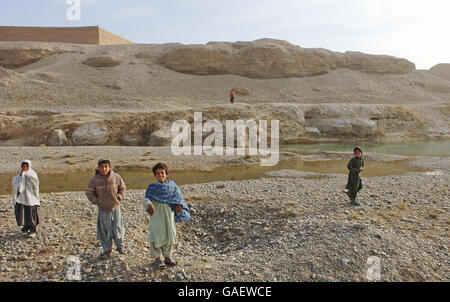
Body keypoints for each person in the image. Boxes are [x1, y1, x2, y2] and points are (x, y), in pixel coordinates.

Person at [142, 163, 192, 269]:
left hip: (169, 214)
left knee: (169, 234)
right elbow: (146, 199)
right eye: (158, 173)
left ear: (166, 174)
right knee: (156, 235)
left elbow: (179, 199)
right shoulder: (152, 188)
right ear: (155, 175)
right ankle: (158, 259)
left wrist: (179, 206)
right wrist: (149, 204)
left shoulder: (172, 186)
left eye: (162, 173)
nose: (160, 175)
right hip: (157, 215)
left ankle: (168, 257)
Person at [86, 159, 127, 258]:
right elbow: (89, 193)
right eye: (101, 167)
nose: (104, 169)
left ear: (109, 167)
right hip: (103, 209)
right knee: (105, 230)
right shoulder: (94, 180)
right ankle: (107, 249)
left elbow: (123, 188)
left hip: (115, 207)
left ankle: (120, 247)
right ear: (98, 168)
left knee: (118, 227)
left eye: (106, 167)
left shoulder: (116, 177)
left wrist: (119, 197)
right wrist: (96, 201)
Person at [12, 160, 41, 238]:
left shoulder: (32, 174)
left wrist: (27, 177)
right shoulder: (18, 175)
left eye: (26, 166)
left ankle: (33, 229)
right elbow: (15, 185)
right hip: (22, 197)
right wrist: (21, 177)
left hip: (31, 197)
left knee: (31, 212)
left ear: (29, 166)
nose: (25, 168)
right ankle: (25, 228)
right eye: (23, 166)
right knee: (23, 212)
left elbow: (36, 184)